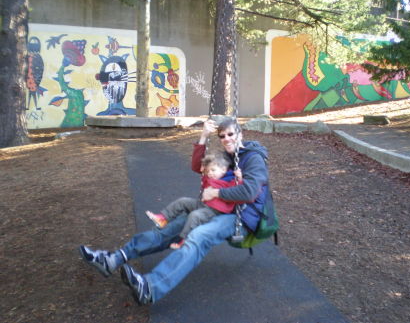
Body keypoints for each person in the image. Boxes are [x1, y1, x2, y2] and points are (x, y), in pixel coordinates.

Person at [79, 117, 269, 305]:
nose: (227, 138)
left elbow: (250, 191)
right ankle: (113, 260)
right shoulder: (226, 157)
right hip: (213, 207)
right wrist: (203, 136)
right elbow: (198, 167)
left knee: (198, 236)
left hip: (239, 216)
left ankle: (151, 287)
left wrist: (216, 191)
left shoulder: (254, 159)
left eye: (231, 134)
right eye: (222, 136)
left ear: (240, 134)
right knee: (166, 231)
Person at [146, 152, 243, 249]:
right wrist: (203, 172)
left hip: (215, 211)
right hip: (203, 204)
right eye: (208, 171)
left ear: (223, 169)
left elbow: (239, 190)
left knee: (195, 216)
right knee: (183, 201)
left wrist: (240, 178)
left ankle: (184, 241)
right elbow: (205, 182)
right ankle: (163, 218)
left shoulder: (231, 181)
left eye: (213, 170)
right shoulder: (211, 178)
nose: (210, 173)